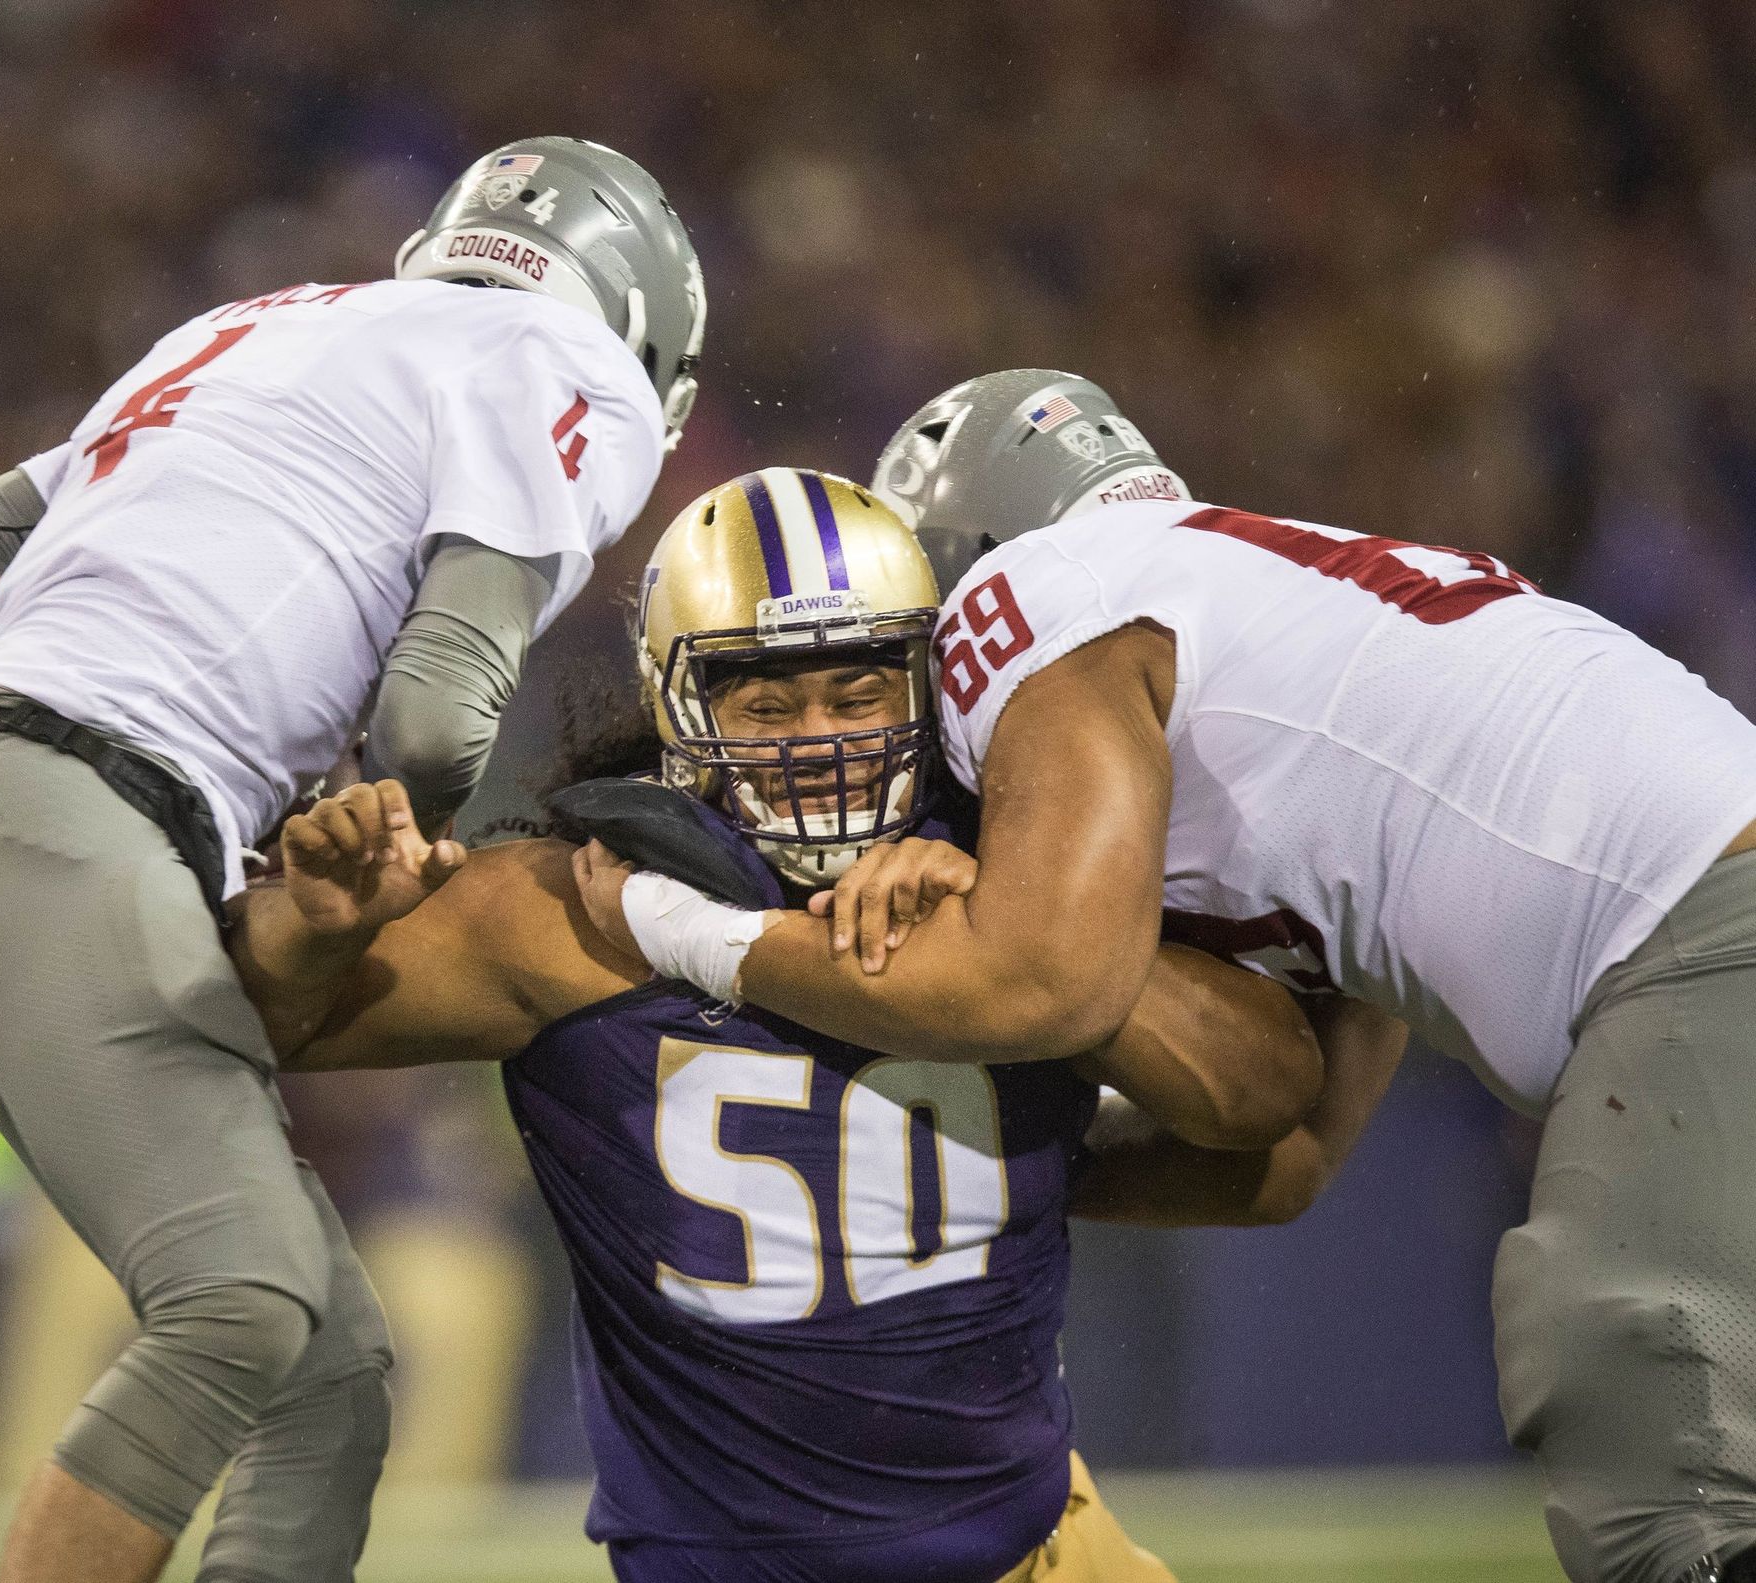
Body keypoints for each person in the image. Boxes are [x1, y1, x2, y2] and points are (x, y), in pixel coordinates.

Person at [581, 373, 1756, 1583]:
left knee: (1653, 1426)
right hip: (1697, 917)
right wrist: (974, 1172)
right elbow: (1286, 1154)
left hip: (1700, 937)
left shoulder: (1041, 592)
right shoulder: (1286, 656)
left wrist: (691, 932)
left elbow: (1050, 984)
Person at [231, 469, 1329, 1583]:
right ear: (680, 706)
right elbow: (233, 1022)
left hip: (1048, 1547)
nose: (820, 741)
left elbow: (1265, 1103)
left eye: (858, 694)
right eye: (767, 705)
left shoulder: (1011, 864)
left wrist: (1023, 944)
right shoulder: (570, 914)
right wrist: (308, 934)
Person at [0, 136, 703, 1583]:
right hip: (71, 819)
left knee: (329, 1367)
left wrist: (123, 674)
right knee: (240, 1299)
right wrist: (363, 817)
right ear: (640, 328)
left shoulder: (255, 326)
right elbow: (439, 713)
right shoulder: (568, 363)